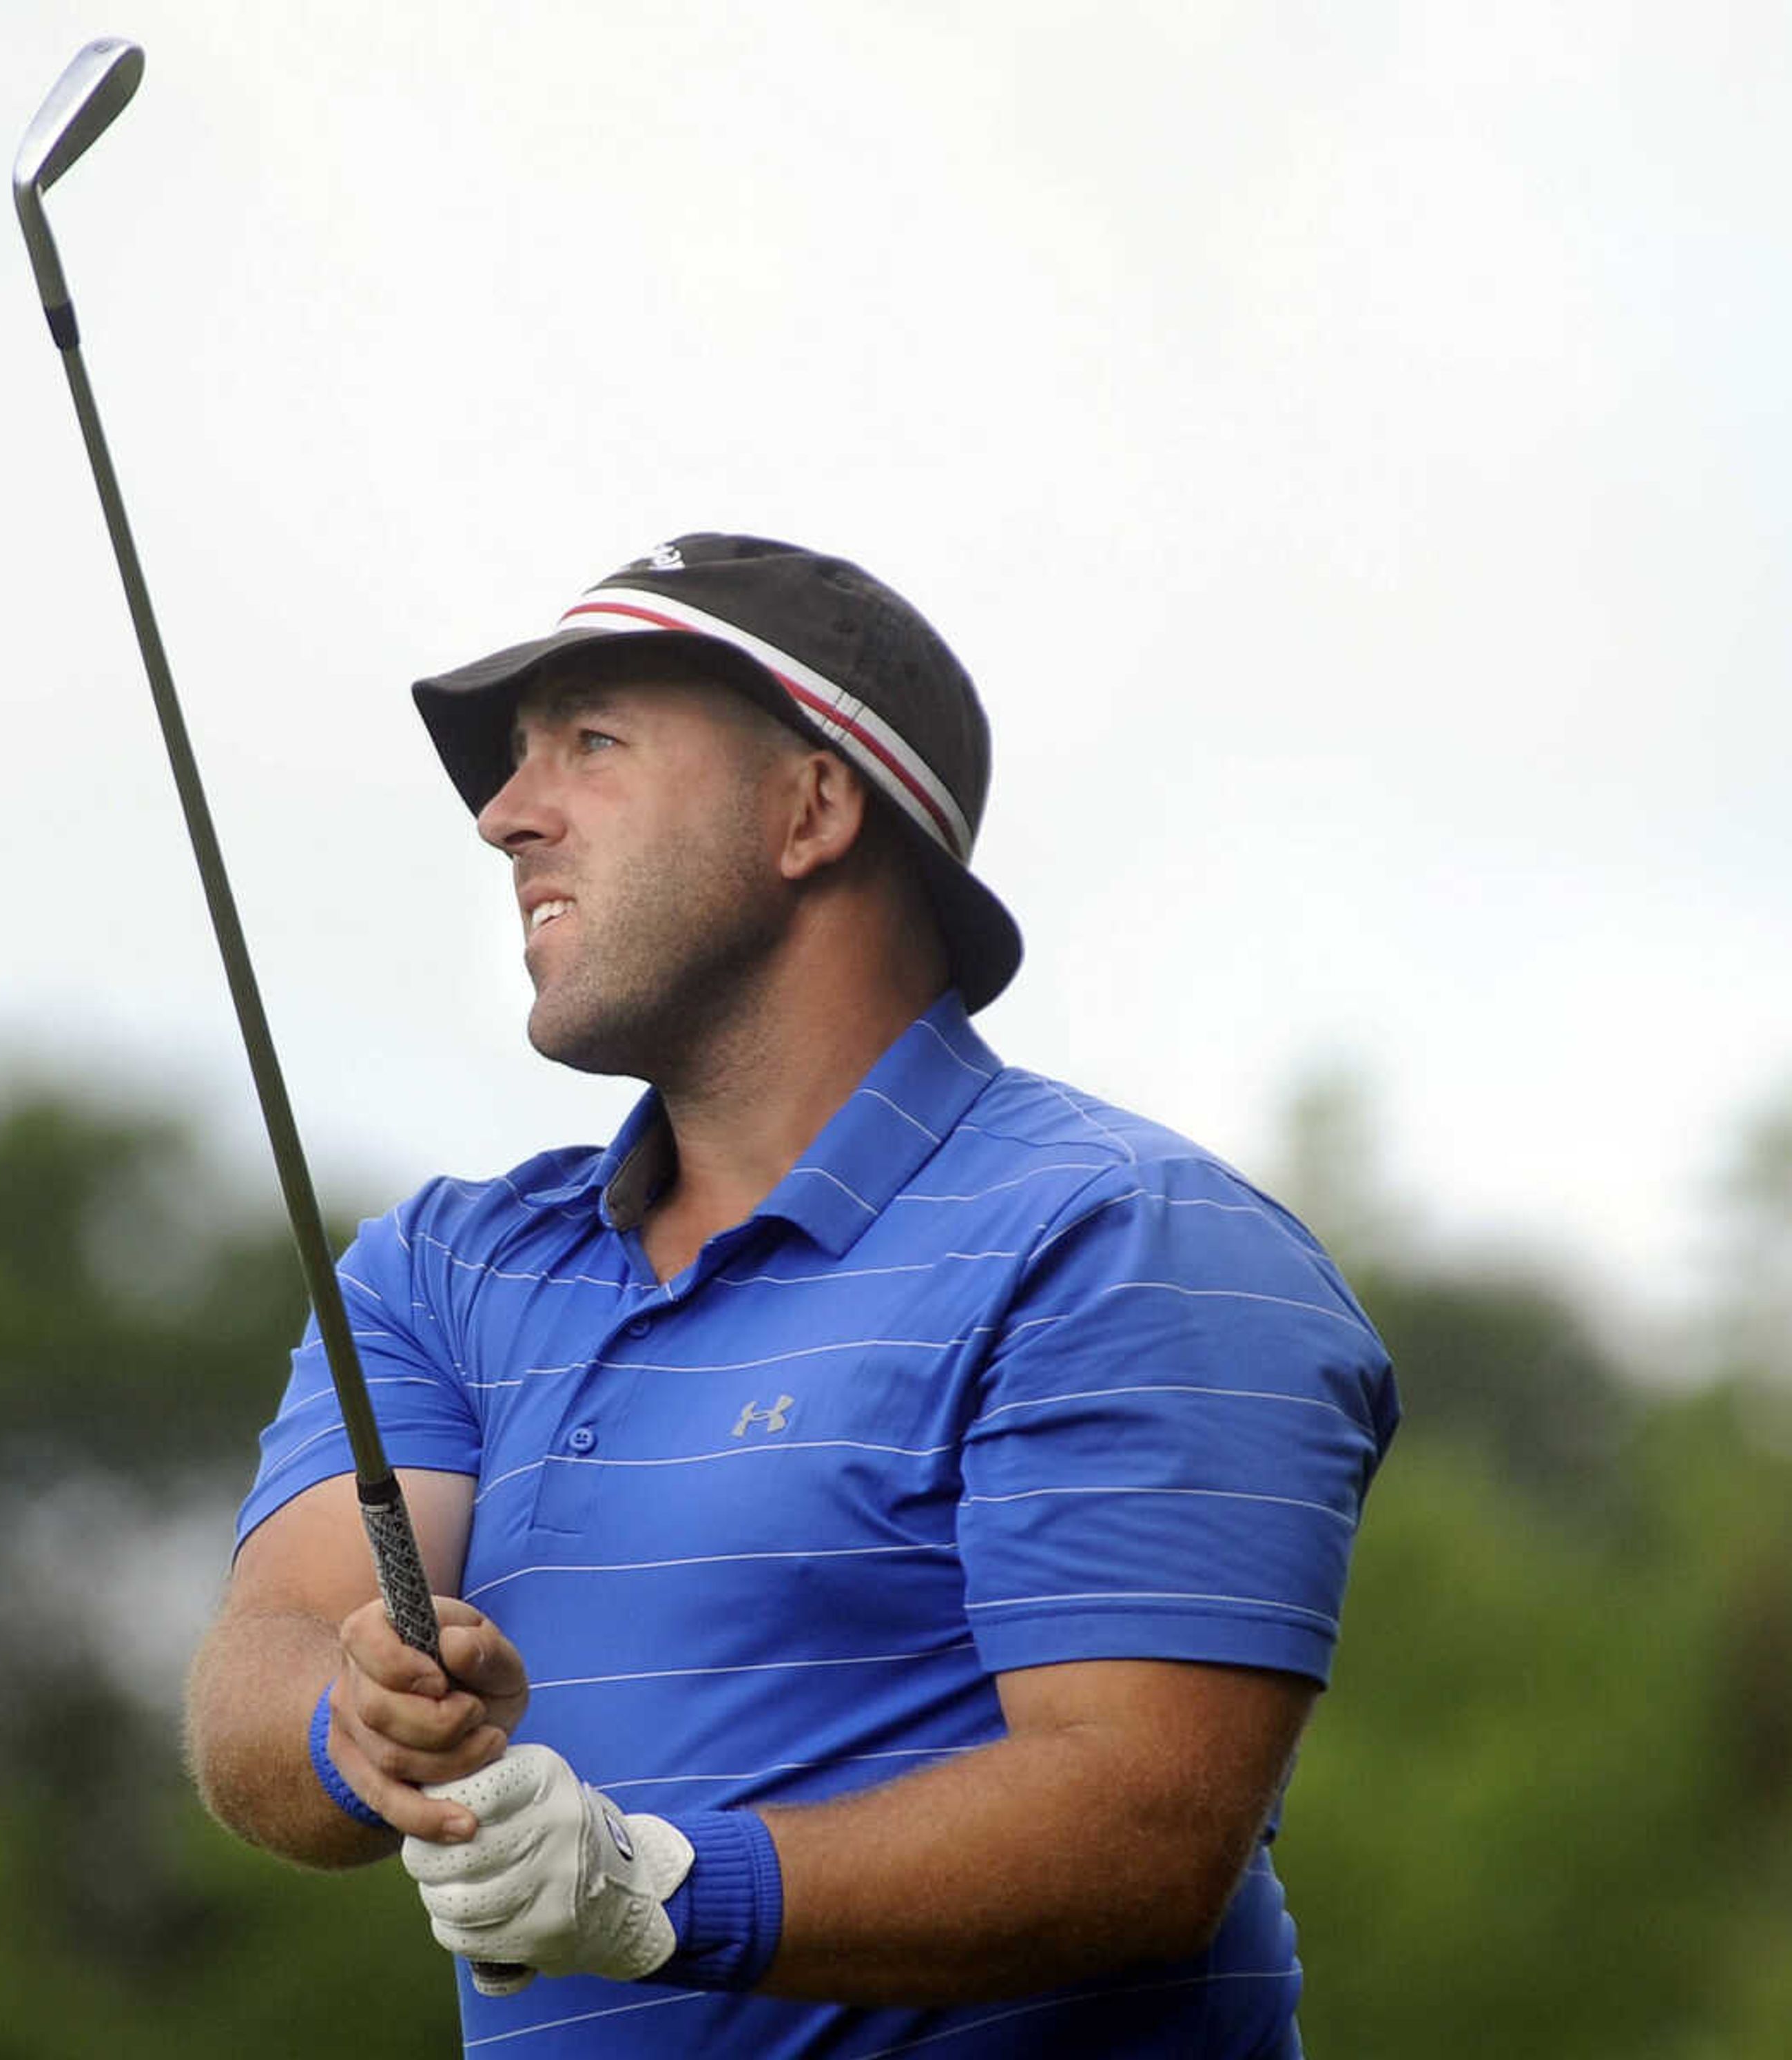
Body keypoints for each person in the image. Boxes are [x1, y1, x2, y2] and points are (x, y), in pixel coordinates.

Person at [182, 533, 1399, 2057]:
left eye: (591, 744)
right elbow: (276, 1648)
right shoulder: (444, 1264)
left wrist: (655, 1887)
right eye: (514, 765)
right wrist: (350, 1722)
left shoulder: (1124, 1238)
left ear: (813, 808)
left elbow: (1143, 1823)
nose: (505, 817)